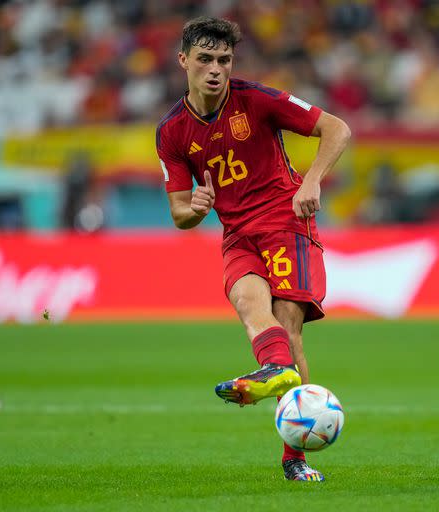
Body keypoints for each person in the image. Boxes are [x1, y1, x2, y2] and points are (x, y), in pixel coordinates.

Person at [155, 17, 350, 482]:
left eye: (224, 60)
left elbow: (337, 129)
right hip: (237, 234)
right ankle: (277, 371)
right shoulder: (172, 132)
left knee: (288, 326)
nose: (215, 69)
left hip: (287, 223)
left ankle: (294, 458)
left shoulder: (257, 100)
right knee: (247, 302)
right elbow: (180, 214)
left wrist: (313, 179)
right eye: (205, 59)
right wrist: (196, 208)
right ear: (184, 61)